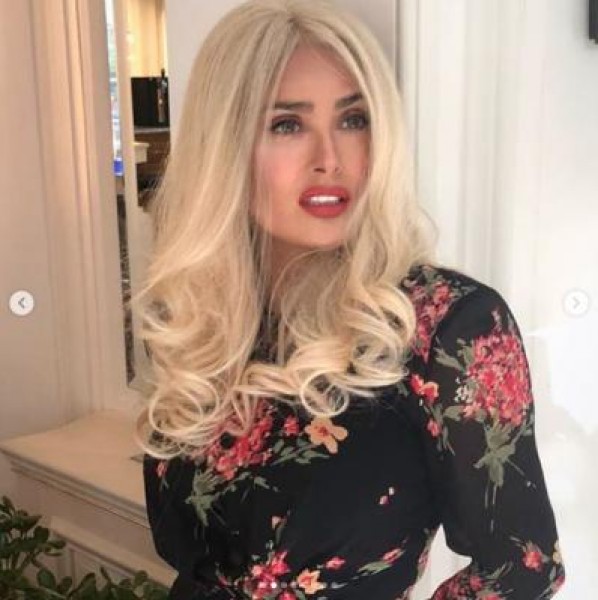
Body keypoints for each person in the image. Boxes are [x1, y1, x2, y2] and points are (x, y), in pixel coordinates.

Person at [133, 1, 566, 598]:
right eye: (287, 124)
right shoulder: (196, 319)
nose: (330, 159)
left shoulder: (444, 325)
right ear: (223, 146)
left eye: (354, 119)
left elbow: (521, 567)